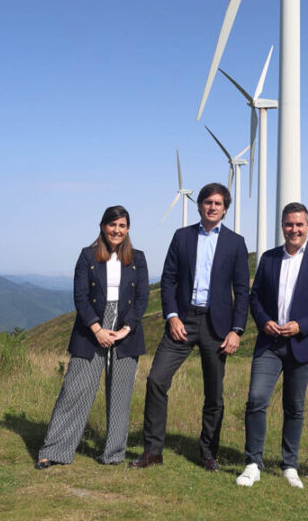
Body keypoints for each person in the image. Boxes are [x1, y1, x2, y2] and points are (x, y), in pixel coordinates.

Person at [130, 182, 250, 471]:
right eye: (207, 202)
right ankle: (153, 451)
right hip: (182, 321)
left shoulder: (236, 242)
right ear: (198, 206)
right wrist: (171, 315)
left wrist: (237, 330)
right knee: (156, 380)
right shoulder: (182, 236)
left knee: (214, 393)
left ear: (225, 209)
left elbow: (242, 290)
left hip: (217, 325)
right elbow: (169, 278)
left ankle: (209, 453)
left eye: (218, 203)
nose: (212, 207)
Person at [36, 205, 149, 469]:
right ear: (102, 226)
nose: (117, 230)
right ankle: (53, 450)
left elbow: (142, 299)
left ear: (128, 229)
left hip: (126, 329)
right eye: (112, 225)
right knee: (74, 390)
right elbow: (80, 296)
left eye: (122, 226)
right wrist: (97, 329)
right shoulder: (87, 256)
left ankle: (113, 454)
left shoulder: (139, 258)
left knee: (120, 394)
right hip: (91, 328)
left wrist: (125, 329)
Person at [235, 202, 308, 489]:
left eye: (299, 224)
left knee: (294, 407)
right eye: (289, 224)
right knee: (256, 399)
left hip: (302, 344)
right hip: (269, 343)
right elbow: (254, 298)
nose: (294, 229)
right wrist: (264, 320)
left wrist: (301, 325)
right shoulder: (268, 258)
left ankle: (289, 465)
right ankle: (253, 462)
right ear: (282, 226)